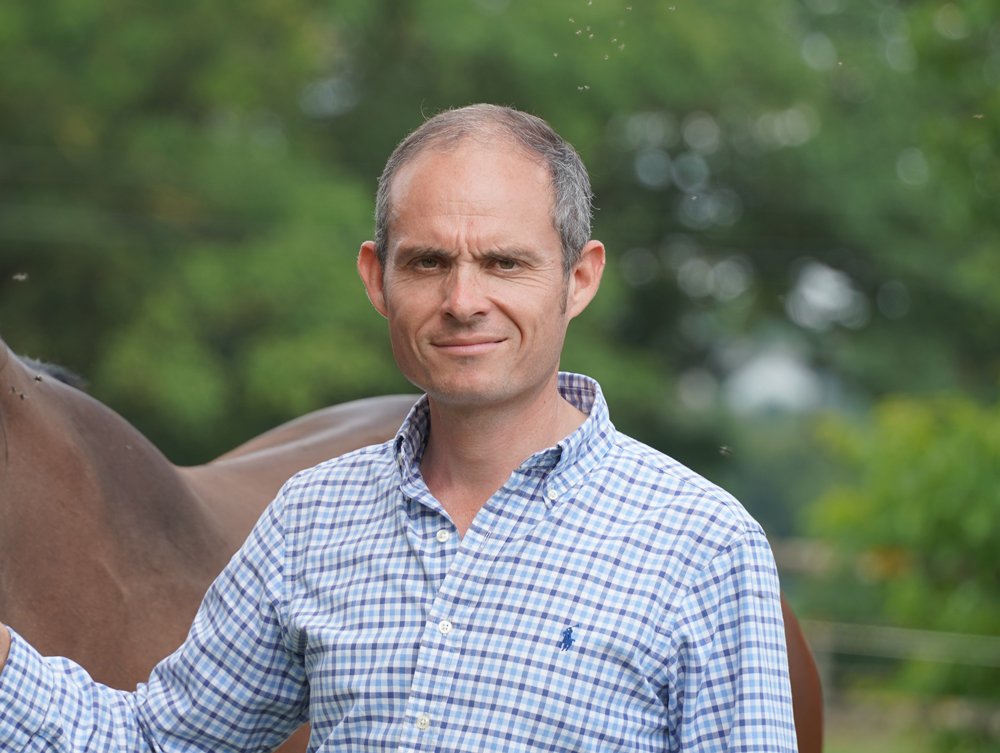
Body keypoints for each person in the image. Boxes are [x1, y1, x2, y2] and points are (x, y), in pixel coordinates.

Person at [0, 104, 798, 751]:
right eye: (427, 262)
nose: (463, 301)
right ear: (377, 279)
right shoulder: (312, 520)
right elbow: (152, 740)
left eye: (505, 262)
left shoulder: (702, 545)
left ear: (579, 277)